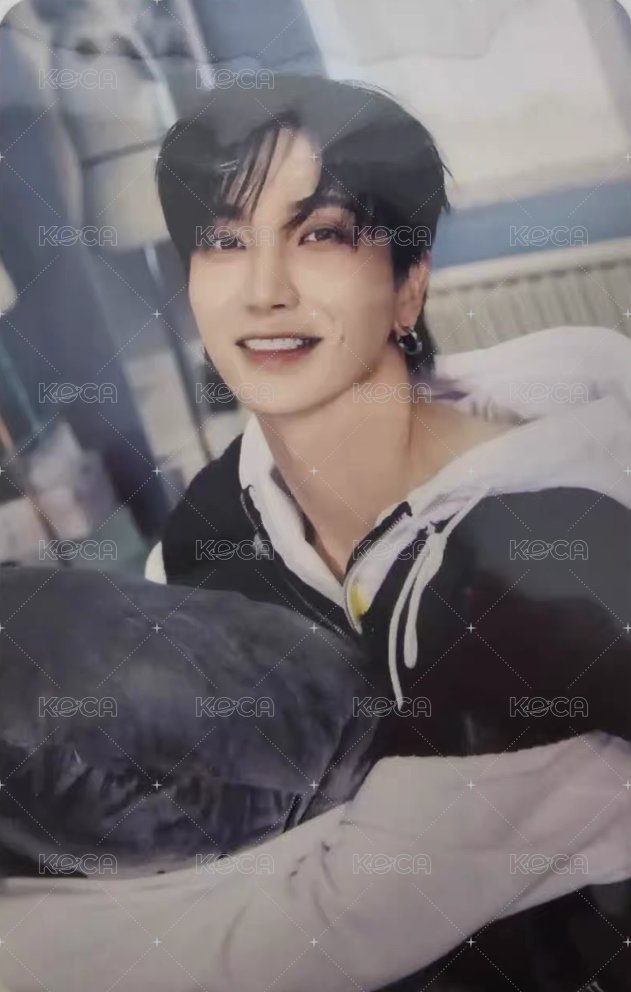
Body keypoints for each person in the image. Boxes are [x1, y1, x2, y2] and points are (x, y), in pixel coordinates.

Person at [1, 74, 631, 992]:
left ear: (407, 285)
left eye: (321, 234)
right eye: (224, 241)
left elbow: (328, 927)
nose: (263, 290)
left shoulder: (544, 545)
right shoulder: (217, 521)